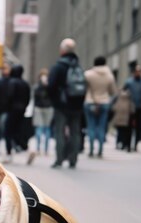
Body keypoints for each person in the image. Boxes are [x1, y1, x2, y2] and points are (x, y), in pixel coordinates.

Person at [47, 38, 85, 169]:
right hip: (77, 105)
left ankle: (59, 159)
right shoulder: (78, 66)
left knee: (60, 132)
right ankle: (73, 159)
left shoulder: (58, 66)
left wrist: (55, 101)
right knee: (75, 132)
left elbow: (51, 86)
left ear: (62, 50)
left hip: (61, 105)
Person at [83, 56, 117, 158]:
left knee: (91, 127)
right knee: (102, 127)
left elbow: (84, 89)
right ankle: (100, 150)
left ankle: (91, 150)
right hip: (104, 103)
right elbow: (112, 92)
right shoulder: (109, 76)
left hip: (90, 102)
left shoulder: (88, 74)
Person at [4, 64, 31, 164]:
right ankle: (27, 150)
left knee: (8, 132)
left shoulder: (12, 82)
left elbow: (9, 96)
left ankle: (9, 155)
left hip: (12, 110)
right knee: (17, 132)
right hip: (22, 110)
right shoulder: (25, 84)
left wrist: (7, 107)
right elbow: (28, 98)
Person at [123, 65, 141, 151]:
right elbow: (123, 93)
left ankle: (135, 144)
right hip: (130, 108)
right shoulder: (129, 82)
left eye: (140, 71)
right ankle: (127, 144)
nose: (138, 73)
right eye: (137, 71)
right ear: (134, 72)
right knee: (128, 127)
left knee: (139, 127)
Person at [33, 68, 53, 156]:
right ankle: (46, 150)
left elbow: (35, 98)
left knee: (39, 129)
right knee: (47, 129)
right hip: (49, 108)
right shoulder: (51, 85)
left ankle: (38, 148)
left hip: (38, 108)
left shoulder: (37, 86)